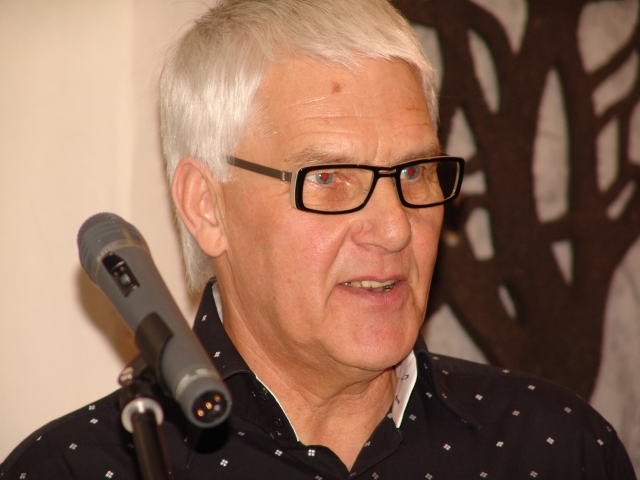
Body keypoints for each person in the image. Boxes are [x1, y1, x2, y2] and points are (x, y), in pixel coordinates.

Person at [1, 0, 636, 478]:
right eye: (329, 178)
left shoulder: (557, 448)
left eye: (413, 172)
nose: (395, 228)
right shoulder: (79, 468)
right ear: (206, 206)